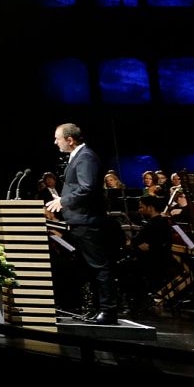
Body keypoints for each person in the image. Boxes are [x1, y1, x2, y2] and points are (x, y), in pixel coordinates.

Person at [46, 123, 118, 323]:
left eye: (57, 138)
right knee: (88, 268)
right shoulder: (78, 156)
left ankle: (109, 310)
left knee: (99, 266)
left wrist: (63, 201)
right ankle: (95, 307)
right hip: (79, 220)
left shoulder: (85, 157)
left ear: (70, 140)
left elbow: (88, 188)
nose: (55, 142)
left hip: (88, 221)